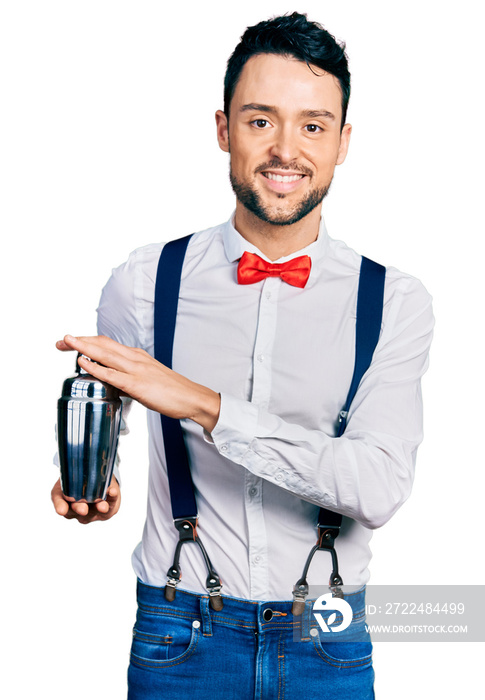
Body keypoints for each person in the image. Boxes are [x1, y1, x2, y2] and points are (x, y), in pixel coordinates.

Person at [51, 12, 434, 699]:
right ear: (224, 129)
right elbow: (110, 412)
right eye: (260, 121)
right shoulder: (142, 283)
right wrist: (85, 481)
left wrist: (204, 405)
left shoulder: (395, 301)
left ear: (342, 142)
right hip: (178, 629)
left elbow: (376, 489)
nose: (285, 148)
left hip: (329, 629)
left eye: (312, 125)